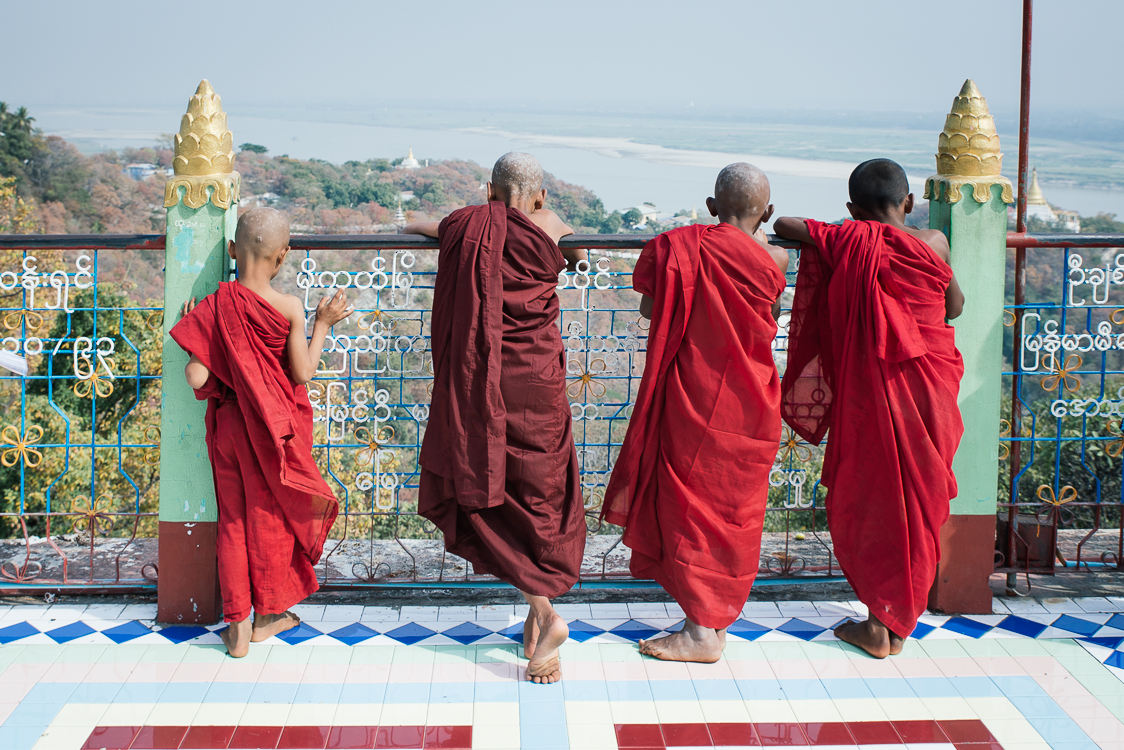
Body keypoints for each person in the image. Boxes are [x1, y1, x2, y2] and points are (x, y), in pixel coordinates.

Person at [403, 152, 587, 684]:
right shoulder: (550, 227)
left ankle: (542, 614)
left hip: (482, 382)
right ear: (542, 197)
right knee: (539, 495)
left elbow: (420, 224)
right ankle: (542, 611)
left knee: (488, 487)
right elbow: (579, 251)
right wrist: (549, 224)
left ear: (488, 192)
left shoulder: (465, 225)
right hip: (537, 382)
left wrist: (434, 222)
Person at [773, 158, 965, 659]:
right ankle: (893, 625)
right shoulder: (937, 244)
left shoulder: (848, 239)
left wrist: (845, 230)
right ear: (910, 203)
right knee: (919, 501)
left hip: (876, 398)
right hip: (932, 393)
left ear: (853, 210)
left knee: (873, 498)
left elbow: (782, 225)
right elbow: (956, 306)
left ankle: (881, 625)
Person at [602, 163, 789, 663]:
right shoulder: (775, 260)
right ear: (767, 212)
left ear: (711, 208)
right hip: (752, 401)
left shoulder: (679, 247)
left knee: (692, 507)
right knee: (732, 511)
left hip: (696, 393)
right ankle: (710, 620)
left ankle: (702, 633)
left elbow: (649, 310)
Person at [170, 207, 351, 658]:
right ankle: (270, 615)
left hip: (231, 427)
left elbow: (195, 377)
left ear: (232, 250)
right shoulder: (288, 306)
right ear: (283, 256)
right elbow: (303, 371)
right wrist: (324, 323)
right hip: (274, 429)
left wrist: (204, 338)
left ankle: (237, 625)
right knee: (267, 518)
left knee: (232, 520)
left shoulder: (214, 305)